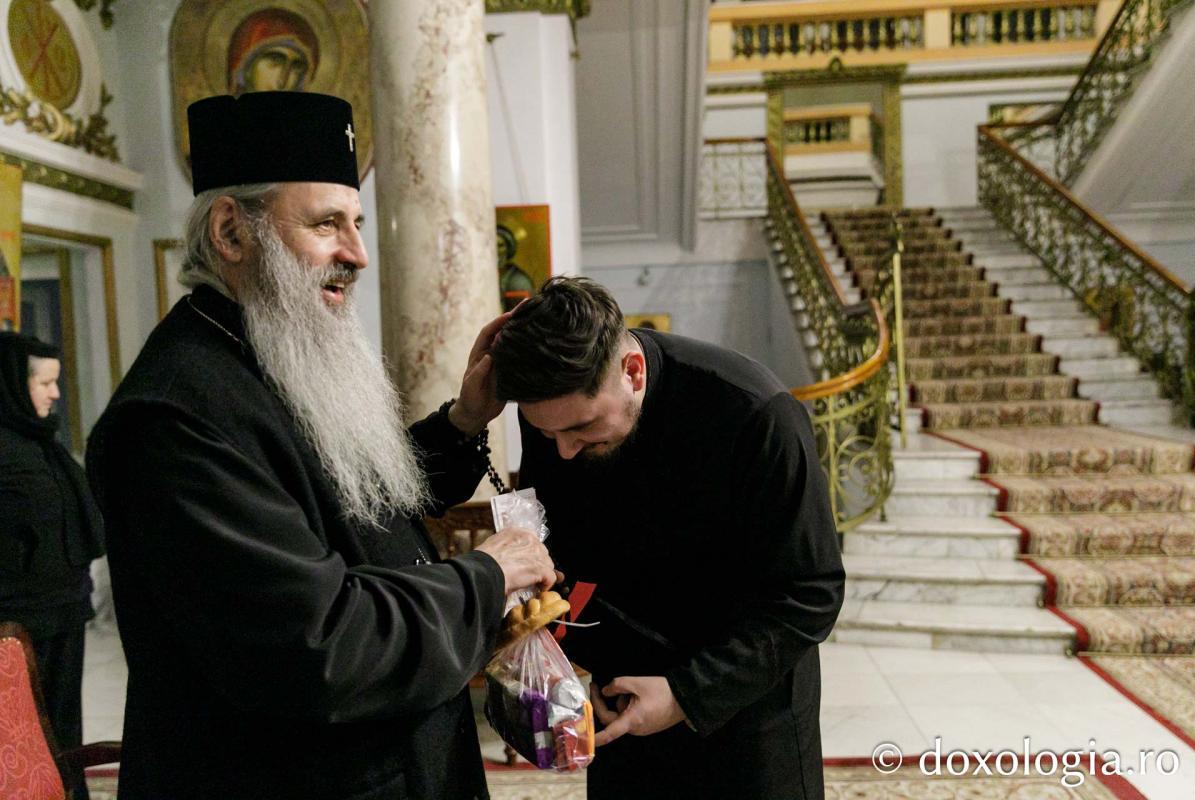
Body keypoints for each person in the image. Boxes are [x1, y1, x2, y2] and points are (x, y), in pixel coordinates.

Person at [85, 91, 554, 800]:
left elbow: (353, 507)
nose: (357, 254)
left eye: (356, 223)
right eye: (326, 223)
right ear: (231, 232)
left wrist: (462, 422)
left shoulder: (264, 351)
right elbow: (317, 645)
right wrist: (486, 578)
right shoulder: (174, 419)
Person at [490, 277, 845, 799]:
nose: (563, 451)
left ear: (632, 372)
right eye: (547, 434)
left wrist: (686, 693)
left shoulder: (755, 413)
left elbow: (810, 593)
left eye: (583, 429)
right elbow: (569, 544)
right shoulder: (557, 414)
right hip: (620, 698)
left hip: (743, 706)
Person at [0, 332, 105, 800]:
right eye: (44, 383)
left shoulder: (42, 442)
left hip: (63, 611)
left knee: (62, 731)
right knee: (20, 740)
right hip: (16, 624)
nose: (55, 393)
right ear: (11, 384)